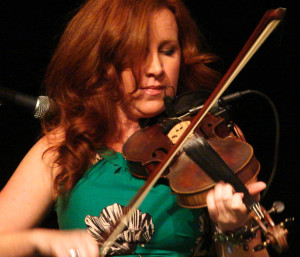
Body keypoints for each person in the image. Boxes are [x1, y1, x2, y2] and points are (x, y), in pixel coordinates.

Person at [0, 0, 269, 256]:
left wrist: (234, 228)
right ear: (102, 60)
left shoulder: (213, 138)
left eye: (168, 51)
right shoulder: (65, 145)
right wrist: (40, 240)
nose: (156, 68)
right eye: (138, 53)